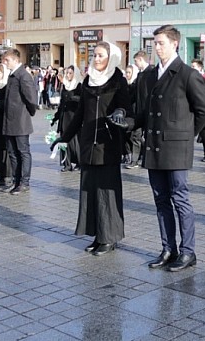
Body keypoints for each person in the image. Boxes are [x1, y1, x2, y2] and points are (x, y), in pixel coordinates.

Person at [135, 25, 205, 271]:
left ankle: (188, 252)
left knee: (180, 199)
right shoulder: (149, 75)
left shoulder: (186, 74)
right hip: (154, 147)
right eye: (155, 43)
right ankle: (168, 248)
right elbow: (144, 111)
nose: (157, 48)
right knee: (161, 200)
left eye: (161, 43)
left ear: (174, 44)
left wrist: (186, 135)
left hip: (176, 147)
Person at [54, 42, 130, 256]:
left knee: (107, 192)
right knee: (91, 192)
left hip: (108, 144)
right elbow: (79, 114)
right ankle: (98, 234)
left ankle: (110, 237)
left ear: (110, 58)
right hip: (88, 143)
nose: (96, 59)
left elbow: (127, 108)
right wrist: (64, 137)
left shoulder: (118, 80)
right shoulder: (88, 80)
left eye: (100, 56)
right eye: (94, 55)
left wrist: (121, 115)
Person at [1, 48, 38, 194]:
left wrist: (29, 112)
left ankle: (24, 182)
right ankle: (16, 181)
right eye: (4, 60)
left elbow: (31, 98)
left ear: (15, 60)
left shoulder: (23, 75)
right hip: (9, 121)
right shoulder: (12, 75)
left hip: (20, 121)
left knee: (23, 152)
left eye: (7, 60)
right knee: (12, 153)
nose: (5, 63)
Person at [51, 65, 82, 172]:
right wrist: (56, 117)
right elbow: (62, 103)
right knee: (64, 141)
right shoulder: (65, 86)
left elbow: (82, 101)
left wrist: (72, 98)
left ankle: (79, 162)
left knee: (75, 142)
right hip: (64, 118)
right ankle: (66, 164)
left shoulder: (79, 86)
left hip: (74, 118)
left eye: (70, 73)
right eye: (67, 73)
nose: (68, 75)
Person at [125, 51, 151, 170]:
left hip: (148, 111)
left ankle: (142, 159)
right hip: (139, 112)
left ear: (141, 59)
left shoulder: (151, 73)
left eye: (136, 61)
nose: (135, 63)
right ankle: (136, 159)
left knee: (144, 137)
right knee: (136, 136)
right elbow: (135, 95)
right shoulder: (140, 75)